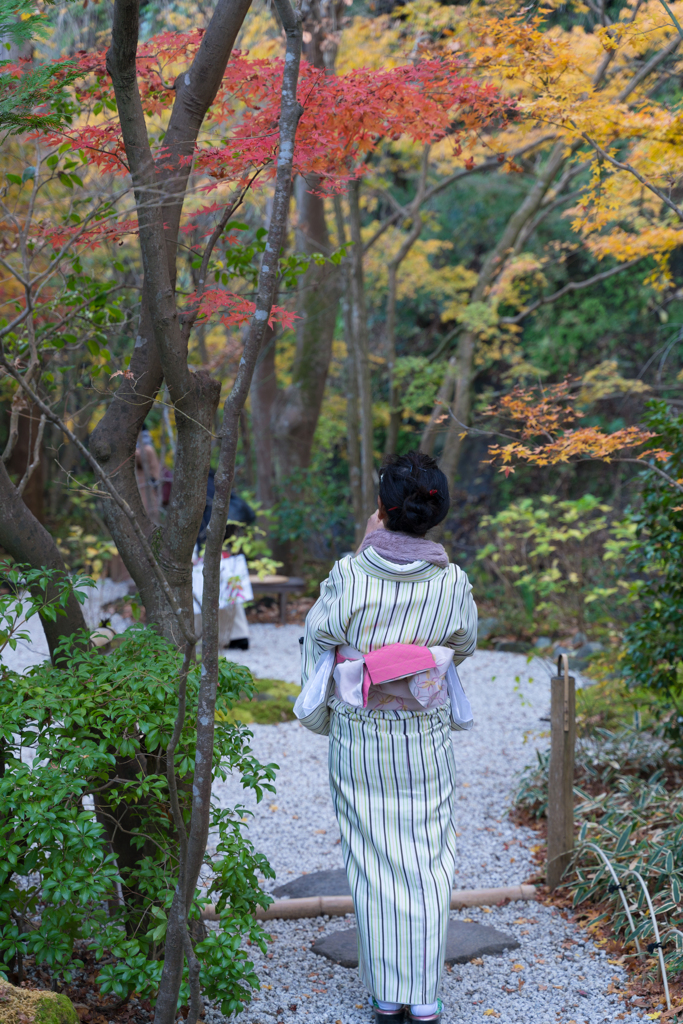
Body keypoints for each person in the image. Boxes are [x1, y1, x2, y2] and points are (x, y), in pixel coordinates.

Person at [300, 451, 477, 1024]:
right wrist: (419, 661)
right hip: (424, 733)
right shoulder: (452, 581)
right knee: (428, 857)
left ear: (381, 508)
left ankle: (386, 994)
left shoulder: (351, 573)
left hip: (362, 734)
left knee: (372, 858)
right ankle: (422, 995)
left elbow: (320, 633)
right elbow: (465, 643)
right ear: (435, 514)